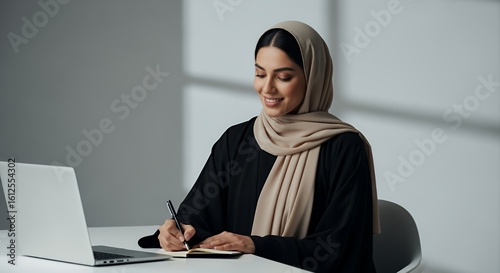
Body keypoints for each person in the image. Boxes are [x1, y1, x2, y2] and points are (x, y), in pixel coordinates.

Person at [139, 21, 381, 273]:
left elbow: (340, 249)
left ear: (313, 77)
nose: (267, 88)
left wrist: (256, 246)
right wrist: (176, 232)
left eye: (284, 77)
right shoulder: (236, 141)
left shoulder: (345, 148)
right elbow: (198, 216)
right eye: (260, 74)